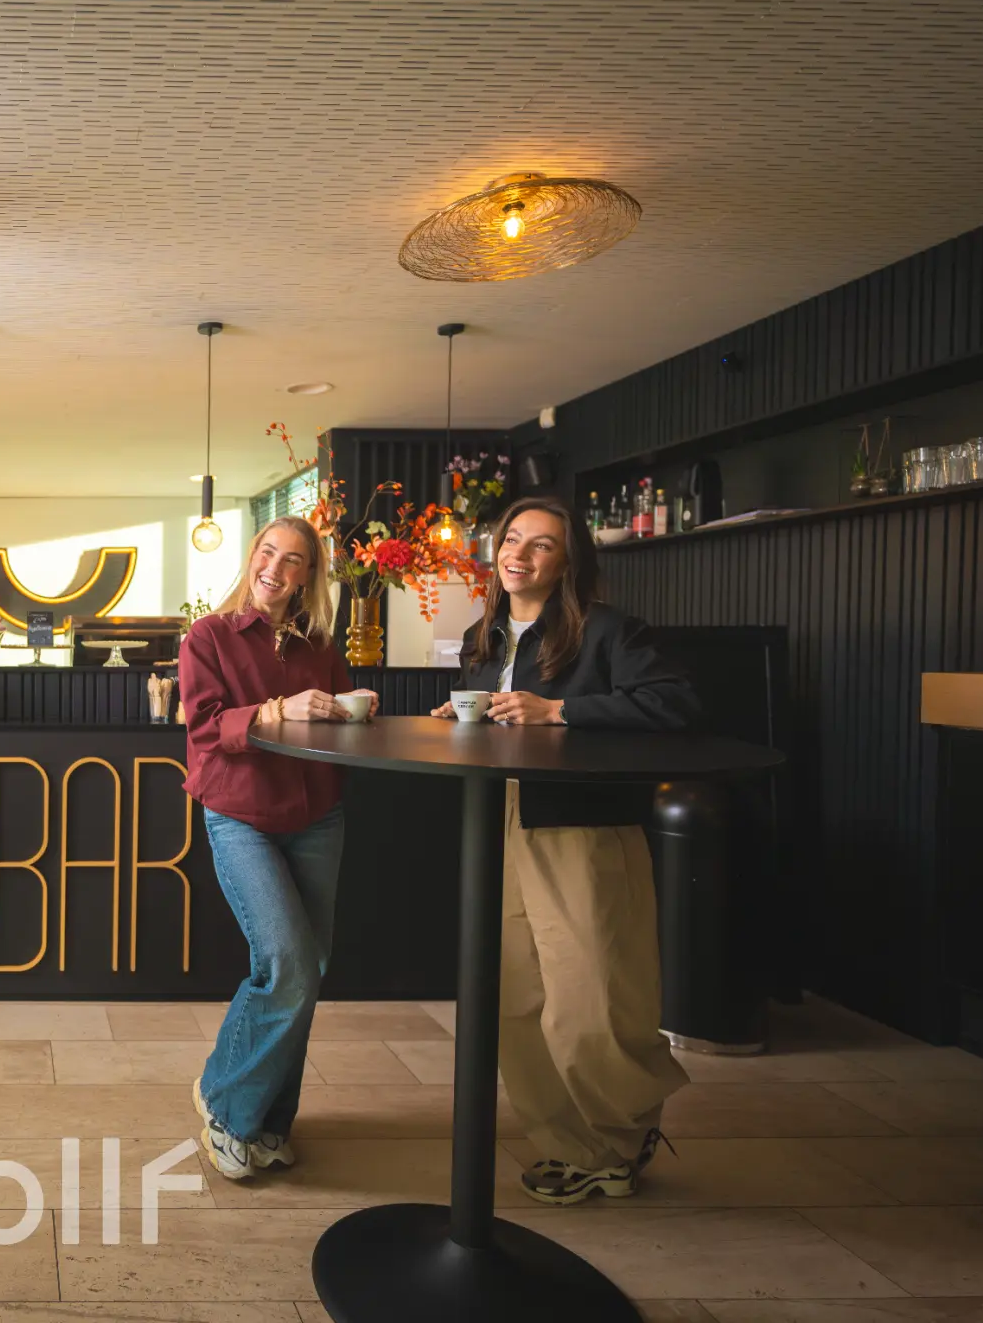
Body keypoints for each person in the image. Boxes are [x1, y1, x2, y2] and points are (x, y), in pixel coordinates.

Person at [432, 495, 701, 1204]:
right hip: (499, 818)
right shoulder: (484, 633)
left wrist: (561, 710)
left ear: (567, 562)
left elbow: (675, 703)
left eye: (541, 544)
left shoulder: (608, 630)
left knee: (590, 999)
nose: (518, 554)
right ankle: (572, 1147)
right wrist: (460, 713)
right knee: (512, 997)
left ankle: (621, 1133)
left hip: (581, 826)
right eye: (511, 539)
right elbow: (497, 716)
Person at [180, 515, 375, 1180]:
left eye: (293, 559)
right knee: (286, 961)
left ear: (307, 575)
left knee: (307, 969)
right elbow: (204, 726)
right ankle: (228, 1105)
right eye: (268, 552)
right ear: (251, 557)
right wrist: (276, 709)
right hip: (240, 815)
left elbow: (337, 718)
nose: (275, 568)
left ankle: (269, 1122)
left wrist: (354, 710)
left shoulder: (319, 643)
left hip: (316, 815)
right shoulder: (208, 636)